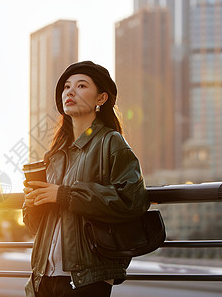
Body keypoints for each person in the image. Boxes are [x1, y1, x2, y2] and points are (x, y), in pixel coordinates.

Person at [23, 61, 150, 297]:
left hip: (86, 278)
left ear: (101, 99)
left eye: (81, 86)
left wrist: (63, 194)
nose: (70, 92)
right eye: (66, 87)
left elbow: (131, 200)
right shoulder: (54, 155)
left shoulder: (111, 142)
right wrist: (33, 201)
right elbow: (34, 226)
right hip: (43, 277)